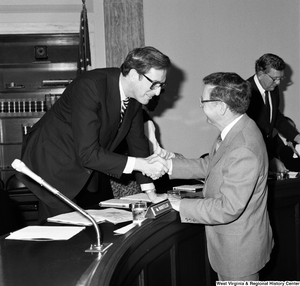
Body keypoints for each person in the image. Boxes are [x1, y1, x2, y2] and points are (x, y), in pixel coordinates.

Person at [16, 46, 169, 222]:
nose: (157, 92)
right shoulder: (90, 86)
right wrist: (141, 165)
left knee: (91, 225)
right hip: (53, 161)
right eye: (154, 84)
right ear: (134, 75)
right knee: (64, 228)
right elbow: (88, 153)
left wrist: (150, 192)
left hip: (85, 163)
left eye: (161, 85)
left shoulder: (135, 98)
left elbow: (138, 145)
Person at [151, 72, 273, 281]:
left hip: (239, 253)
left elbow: (228, 208)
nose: (200, 105)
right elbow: (212, 164)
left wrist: (180, 204)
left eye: (203, 100)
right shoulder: (236, 130)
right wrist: (169, 165)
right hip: (233, 247)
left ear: (222, 107)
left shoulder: (243, 146)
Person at [246, 53, 300, 173]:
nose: (278, 83)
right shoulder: (245, 92)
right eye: (274, 79)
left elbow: (276, 118)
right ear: (260, 74)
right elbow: (249, 132)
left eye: (281, 78)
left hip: (265, 152)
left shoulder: (272, 89)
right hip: (251, 155)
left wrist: (297, 137)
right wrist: (270, 159)